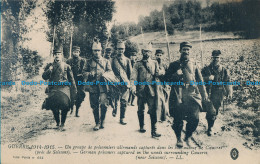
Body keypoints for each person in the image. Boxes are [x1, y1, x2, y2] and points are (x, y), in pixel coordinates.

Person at [164, 41, 208, 147]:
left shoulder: (194, 64)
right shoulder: (174, 65)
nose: (186, 52)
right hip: (178, 94)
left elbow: (200, 80)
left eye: (188, 50)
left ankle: (187, 136)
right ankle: (179, 138)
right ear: (180, 51)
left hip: (192, 94)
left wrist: (204, 93)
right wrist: (175, 75)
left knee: (195, 119)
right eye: (184, 49)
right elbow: (166, 80)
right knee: (178, 119)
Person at [130, 43, 163, 138]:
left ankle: (154, 131)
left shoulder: (154, 62)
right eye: (145, 51)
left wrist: (161, 72)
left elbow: (158, 73)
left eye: (148, 51)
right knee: (140, 109)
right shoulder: (137, 64)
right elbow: (133, 77)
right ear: (142, 52)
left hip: (151, 90)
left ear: (151, 52)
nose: (147, 53)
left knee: (153, 110)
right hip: (141, 90)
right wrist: (132, 87)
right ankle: (142, 126)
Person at [42, 47, 77, 130]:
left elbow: (71, 79)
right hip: (53, 88)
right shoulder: (49, 65)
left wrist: (74, 89)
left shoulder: (66, 66)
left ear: (61, 56)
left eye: (59, 54)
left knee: (65, 105)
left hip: (64, 88)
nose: (57, 56)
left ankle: (63, 123)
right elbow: (44, 77)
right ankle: (57, 122)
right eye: (56, 54)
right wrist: (49, 71)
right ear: (53, 56)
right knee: (54, 106)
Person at [201, 50, 233, 136]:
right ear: (211, 58)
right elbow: (199, 79)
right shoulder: (206, 69)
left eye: (217, 57)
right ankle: (209, 126)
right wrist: (207, 78)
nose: (216, 59)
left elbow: (228, 81)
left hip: (219, 93)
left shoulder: (224, 70)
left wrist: (229, 92)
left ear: (220, 58)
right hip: (208, 92)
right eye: (214, 57)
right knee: (210, 110)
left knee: (215, 111)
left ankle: (210, 125)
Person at [83, 41, 112, 131]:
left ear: (101, 51)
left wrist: (105, 74)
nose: (97, 52)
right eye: (95, 50)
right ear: (93, 51)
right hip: (93, 87)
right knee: (94, 106)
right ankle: (97, 123)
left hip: (103, 87)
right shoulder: (88, 62)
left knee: (104, 104)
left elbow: (110, 72)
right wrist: (89, 74)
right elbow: (83, 72)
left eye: (98, 50)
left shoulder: (106, 61)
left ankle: (102, 121)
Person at [111, 40, 132, 125]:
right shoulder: (112, 60)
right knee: (115, 99)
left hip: (125, 83)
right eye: (119, 49)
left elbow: (130, 73)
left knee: (124, 101)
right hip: (115, 82)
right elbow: (110, 71)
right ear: (116, 49)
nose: (121, 51)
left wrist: (130, 83)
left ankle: (122, 118)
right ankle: (115, 109)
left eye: (122, 49)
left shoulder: (127, 60)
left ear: (124, 49)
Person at [66, 46, 86, 117]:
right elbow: (66, 71)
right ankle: (71, 108)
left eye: (77, 52)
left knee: (81, 95)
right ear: (72, 52)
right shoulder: (68, 61)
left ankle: (77, 110)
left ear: (79, 53)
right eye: (74, 52)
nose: (75, 54)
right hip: (71, 80)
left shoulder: (83, 60)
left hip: (80, 81)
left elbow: (86, 70)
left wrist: (82, 74)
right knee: (71, 95)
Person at [155, 49, 170, 121]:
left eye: (160, 55)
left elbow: (168, 75)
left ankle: (165, 113)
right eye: (157, 55)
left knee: (165, 98)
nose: (159, 57)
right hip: (156, 84)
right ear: (155, 56)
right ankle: (161, 116)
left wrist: (167, 84)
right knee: (159, 100)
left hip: (164, 84)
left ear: (162, 56)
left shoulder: (165, 65)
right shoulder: (153, 63)